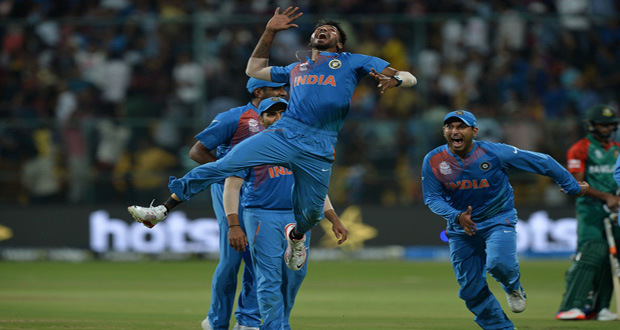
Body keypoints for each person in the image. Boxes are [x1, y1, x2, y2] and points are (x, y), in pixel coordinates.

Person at [127, 6, 416, 271]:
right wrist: (270, 31)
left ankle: (297, 236)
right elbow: (253, 70)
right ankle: (160, 211)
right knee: (224, 165)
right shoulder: (294, 69)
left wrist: (397, 80)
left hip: (319, 143)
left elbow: (408, 75)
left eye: (331, 30)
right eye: (319, 29)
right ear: (311, 40)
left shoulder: (355, 61)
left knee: (313, 213)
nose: (323, 30)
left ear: (340, 43)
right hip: (284, 133)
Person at [130, 77, 287, 330]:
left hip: (263, 190)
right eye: (276, 89)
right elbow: (196, 152)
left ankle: (247, 321)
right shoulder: (233, 118)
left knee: (258, 258)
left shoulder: (284, 117)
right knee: (232, 259)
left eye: (283, 88)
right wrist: (228, 175)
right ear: (258, 91)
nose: (283, 92)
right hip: (230, 188)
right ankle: (217, 322)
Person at [421, 110, 588, 330]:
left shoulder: (495, 153)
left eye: (461, 127)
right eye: (449, 127)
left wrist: (572, 186)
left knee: (499, 263)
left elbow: (543, 161)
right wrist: (456, 216)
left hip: (498, 219)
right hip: (461, 228)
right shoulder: (434, 160)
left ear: (474, 131)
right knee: (470, 290)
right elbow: (432, 197)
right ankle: (501, 328)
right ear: (444, 131)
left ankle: (512, 286)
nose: (455, 131)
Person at [224, 97, 348, 329]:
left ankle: (282, 322)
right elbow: (232, 186)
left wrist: (333, 218)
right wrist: (233, 224)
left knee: (295, 275)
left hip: (298, 218)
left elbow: (314, 188)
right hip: (262, 215)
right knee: (269, 276)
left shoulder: (305, 144)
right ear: (261, 120)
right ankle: (274, 327)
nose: (278, 118)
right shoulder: (249, 146)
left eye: (283, 112)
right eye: (272, 114)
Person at [556, 105, 620, 321]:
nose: (607, 128)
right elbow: (576, 184)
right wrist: (606, 197)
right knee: (591, 254)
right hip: (590, 210)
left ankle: (600, 308)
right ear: (591, 125)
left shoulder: (617, 149)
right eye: (602, 124)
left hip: (616, 210)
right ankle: (571, 306)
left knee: (612, 259)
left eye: (610, 124)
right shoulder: (580, 148)